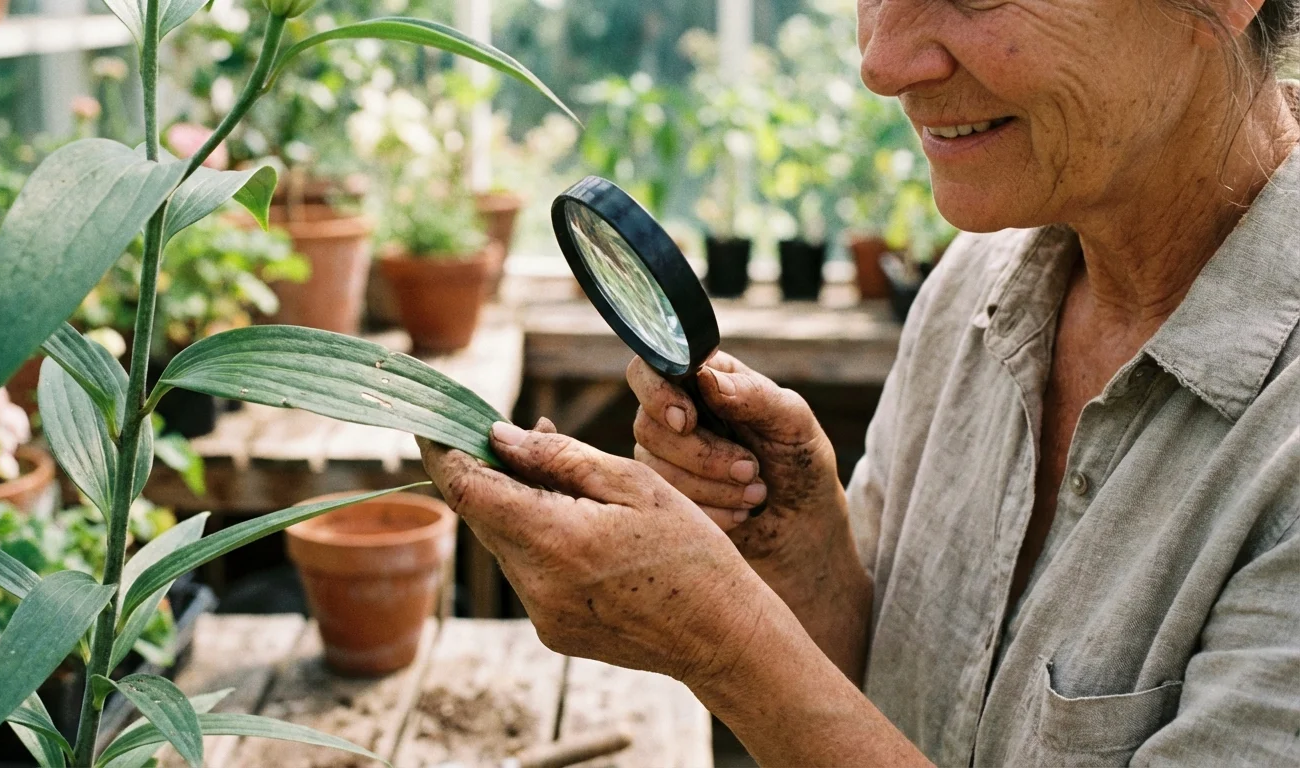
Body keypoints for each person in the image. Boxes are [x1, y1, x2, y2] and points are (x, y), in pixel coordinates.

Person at [419, 0, 1300, 763]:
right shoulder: (977, 283)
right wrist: (799, 548)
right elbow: (891, 706)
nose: (882, 63)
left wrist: (724, 644)